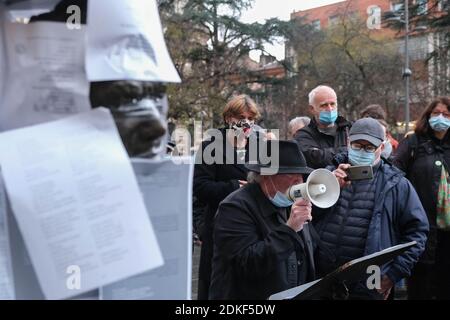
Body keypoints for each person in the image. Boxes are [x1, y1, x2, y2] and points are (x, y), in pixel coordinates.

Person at [314, 117, 429, 300]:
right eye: (358, 145)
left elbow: (417, 233)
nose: (362, 151)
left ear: (381, 148)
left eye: (369, 148)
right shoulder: (328, 175)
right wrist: (330, 189)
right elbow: (308, 219)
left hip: (369, 283)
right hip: (322, 281)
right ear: (348, 142)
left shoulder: (396, 184)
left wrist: (392, 276)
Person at [209, 140, 317, 299]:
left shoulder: (288, 202)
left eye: (301, 175)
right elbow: (247, 264)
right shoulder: (234, 207)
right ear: (267, 176)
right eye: (290, 175)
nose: (299, 182)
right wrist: (290, 230)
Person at [193, 94, 266, 300]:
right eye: (241, 117)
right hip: (219, 225)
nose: (246, 122)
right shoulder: (210, 146)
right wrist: (233, 186)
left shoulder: (259, 144)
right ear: (228, 118)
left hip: (252, 224)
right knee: (217, 283)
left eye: (251, 118)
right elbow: (200, 187)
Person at [393, 97, 450, 299]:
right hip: (420, 228)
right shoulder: (413, 141)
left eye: (446, 114)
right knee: (420, 286)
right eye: (436, 113)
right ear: (428, 116)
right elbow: (394, 172)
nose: (441, 118)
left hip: (446, 234)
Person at [294, 85, 352, 169]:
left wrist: (324, 153)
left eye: (332, 104)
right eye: (324, 105)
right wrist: (348, 150)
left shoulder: (350, 128)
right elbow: (315, 159)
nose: (330, 109)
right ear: (312, 109)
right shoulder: (303, 135)